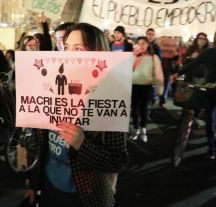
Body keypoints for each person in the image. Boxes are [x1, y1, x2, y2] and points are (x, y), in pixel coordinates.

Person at [25, 23, 129, 207]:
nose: (68, 54)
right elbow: (39, 144)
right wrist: (34, 182)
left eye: (78, 48)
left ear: (97, 53)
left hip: (85, 195)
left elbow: (117, 161)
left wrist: (81, 143)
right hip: (49, 187)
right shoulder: (50, 86)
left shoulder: (111, 94)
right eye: (66, 48)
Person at [178, 46, 216, 158]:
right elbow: (193, 63)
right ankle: (212, 148)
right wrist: (178, 73)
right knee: (210, 119)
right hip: (209, 89)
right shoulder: (209, 52)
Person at [130, 37, 164, 142]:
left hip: (147, 87)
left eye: (144, 43)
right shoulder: (133, 56)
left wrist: (159, 89)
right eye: (139, 43)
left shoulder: (154, 57)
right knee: (134, 110)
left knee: (144, 110)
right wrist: (134, 56)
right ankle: (136, 129)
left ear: (148, 45)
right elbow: (127, 69)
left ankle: (143, 130)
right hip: (134, 86)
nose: (141, 45)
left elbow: (159, 74)